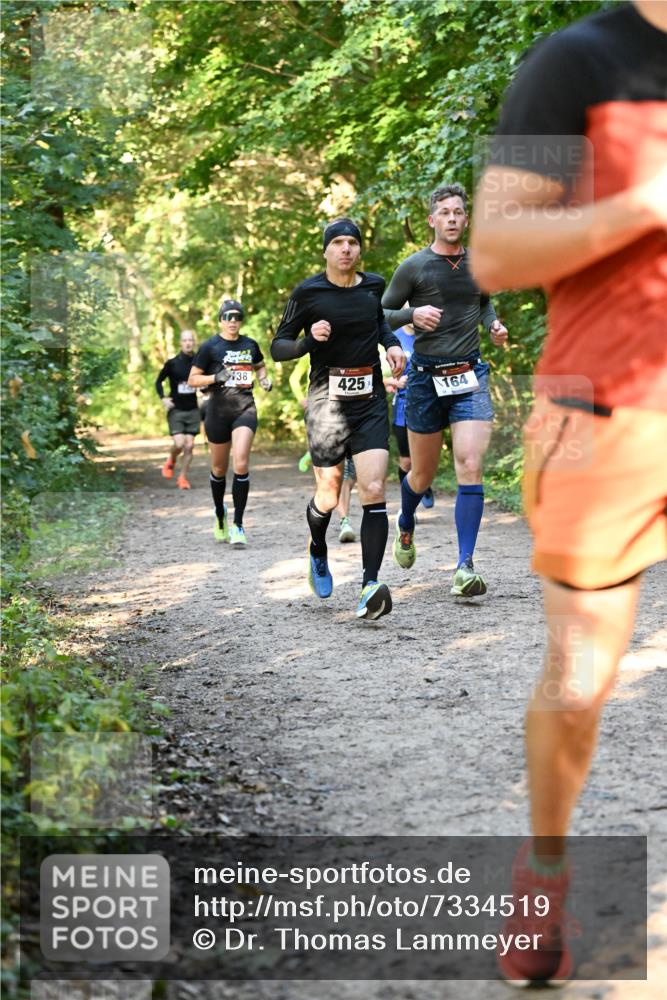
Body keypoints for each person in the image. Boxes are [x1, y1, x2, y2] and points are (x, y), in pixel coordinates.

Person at [470, 0, 667, 984]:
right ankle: (543, 868)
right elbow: (495, 252)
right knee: (581, 679)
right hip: (599, 411)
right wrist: (645, 204)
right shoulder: (573, 63)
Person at [271, 217, 405, 620]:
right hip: (327, 402)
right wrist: (310, 340)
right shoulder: (308, 293)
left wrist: (394, 345)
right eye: (338, 243)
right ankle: (317, 547)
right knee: (328, 494)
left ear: (359, 250)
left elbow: (379, 322)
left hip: (369, 400)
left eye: (352, 242)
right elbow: (278, 347)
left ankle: (369, 584)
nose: (346, 249)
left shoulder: (373, 285)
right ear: (327, 250)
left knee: (375, 487)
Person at [382, 184, 508, 596]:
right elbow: (380, 312)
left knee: (469, 465)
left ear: (466, 219)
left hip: (469, 375)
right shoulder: (414, 267)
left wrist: (493, 325)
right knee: (421, 474)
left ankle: (464, 566)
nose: (452, 219)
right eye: (445, 213)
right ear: (432, 220)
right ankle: (405, 520)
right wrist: (412, 313)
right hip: (424, 379)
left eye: (459, 212)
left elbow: (483, 301)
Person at [187, 299, 272, 546]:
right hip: (217, 411)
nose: (232, 321)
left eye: (237, 317)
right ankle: (220, 512)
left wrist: (264, 380)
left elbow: (260, 366)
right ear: (220, 320)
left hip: (245, 408)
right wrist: (216, 376)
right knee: (219, 469)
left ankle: (238, 525)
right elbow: (193, 379)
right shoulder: (210, 347)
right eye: (228, 317)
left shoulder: (250, 344)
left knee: (242, 462)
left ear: (241, 320)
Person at [385, 323, 434, 508]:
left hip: (427, 403)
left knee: (425, 458)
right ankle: (409, 503)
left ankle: (424, 485)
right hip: (403, 405)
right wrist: (394, 381)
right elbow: (379, 374)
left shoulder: (429, 335)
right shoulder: (392, 338)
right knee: (406, 460)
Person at [155, 329, 200, 489]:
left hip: (193, 409)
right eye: (185, 340)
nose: (188, 343)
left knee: (190, 446)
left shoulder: (199, 362)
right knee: (180, 444)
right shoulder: (172, 363)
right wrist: (163, 398)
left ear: (194, 342)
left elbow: (206, 382)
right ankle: (171, 460)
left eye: (190, 340)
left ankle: (182, 478)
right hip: (176, 410)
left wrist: (207, 392)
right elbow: (158, 381)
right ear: (181, 343)